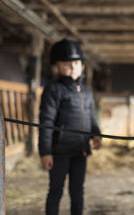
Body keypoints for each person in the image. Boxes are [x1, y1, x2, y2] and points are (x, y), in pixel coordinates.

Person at [39, 38, 102, 215]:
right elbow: (46, 122)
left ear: (82, 65)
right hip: (59, 151)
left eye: (76, 62)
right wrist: (45, 152)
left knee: (77, 192)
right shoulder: (53, 90)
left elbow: (91, 118)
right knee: (56, 191)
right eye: (67, 63)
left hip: (80, 151)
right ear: (56, 66)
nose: (73, 67)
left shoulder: (87, 92)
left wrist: (96, 134)